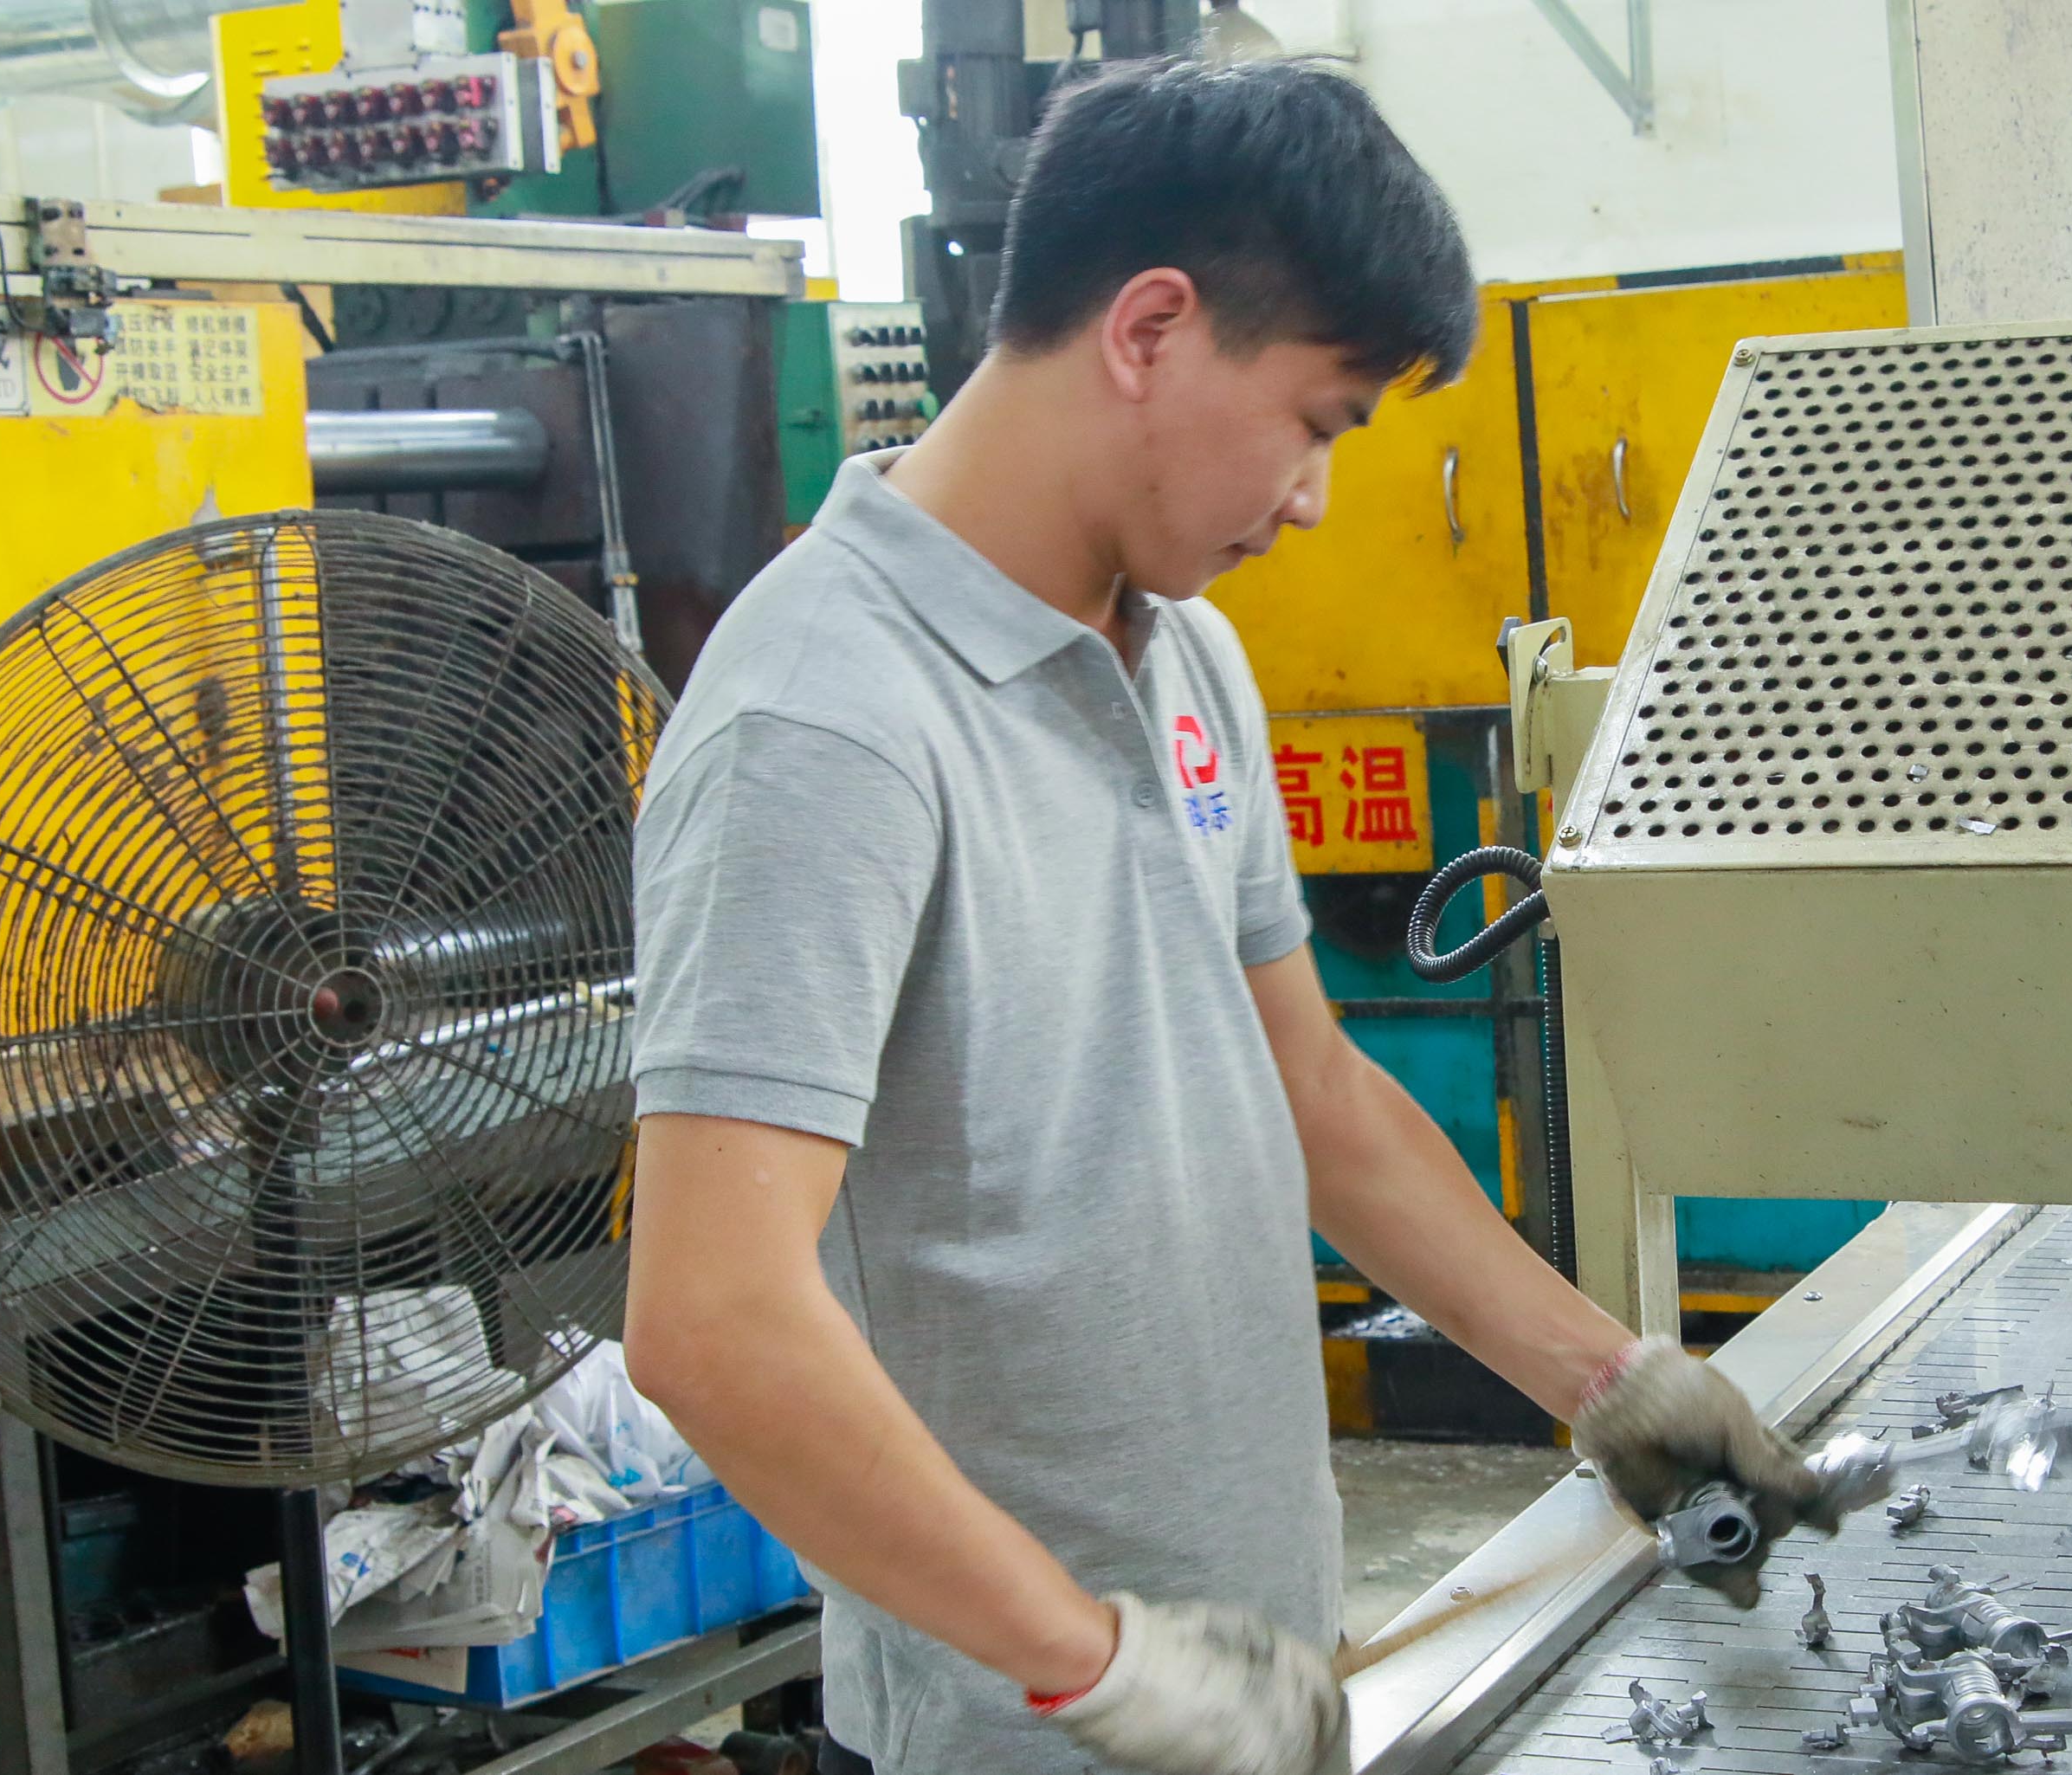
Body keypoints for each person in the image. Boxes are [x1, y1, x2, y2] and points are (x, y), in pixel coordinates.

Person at [620, 57, 1823, 1775]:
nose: (1318, 494)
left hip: (1250, 1681)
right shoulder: (824, 715)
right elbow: (713, 1319)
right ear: (1150, 329)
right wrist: (1096, 1663)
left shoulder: (1189, 653)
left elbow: (1309, 1088)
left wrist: (1607, 1379)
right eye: (1321, 420)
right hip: (1033, 1731)